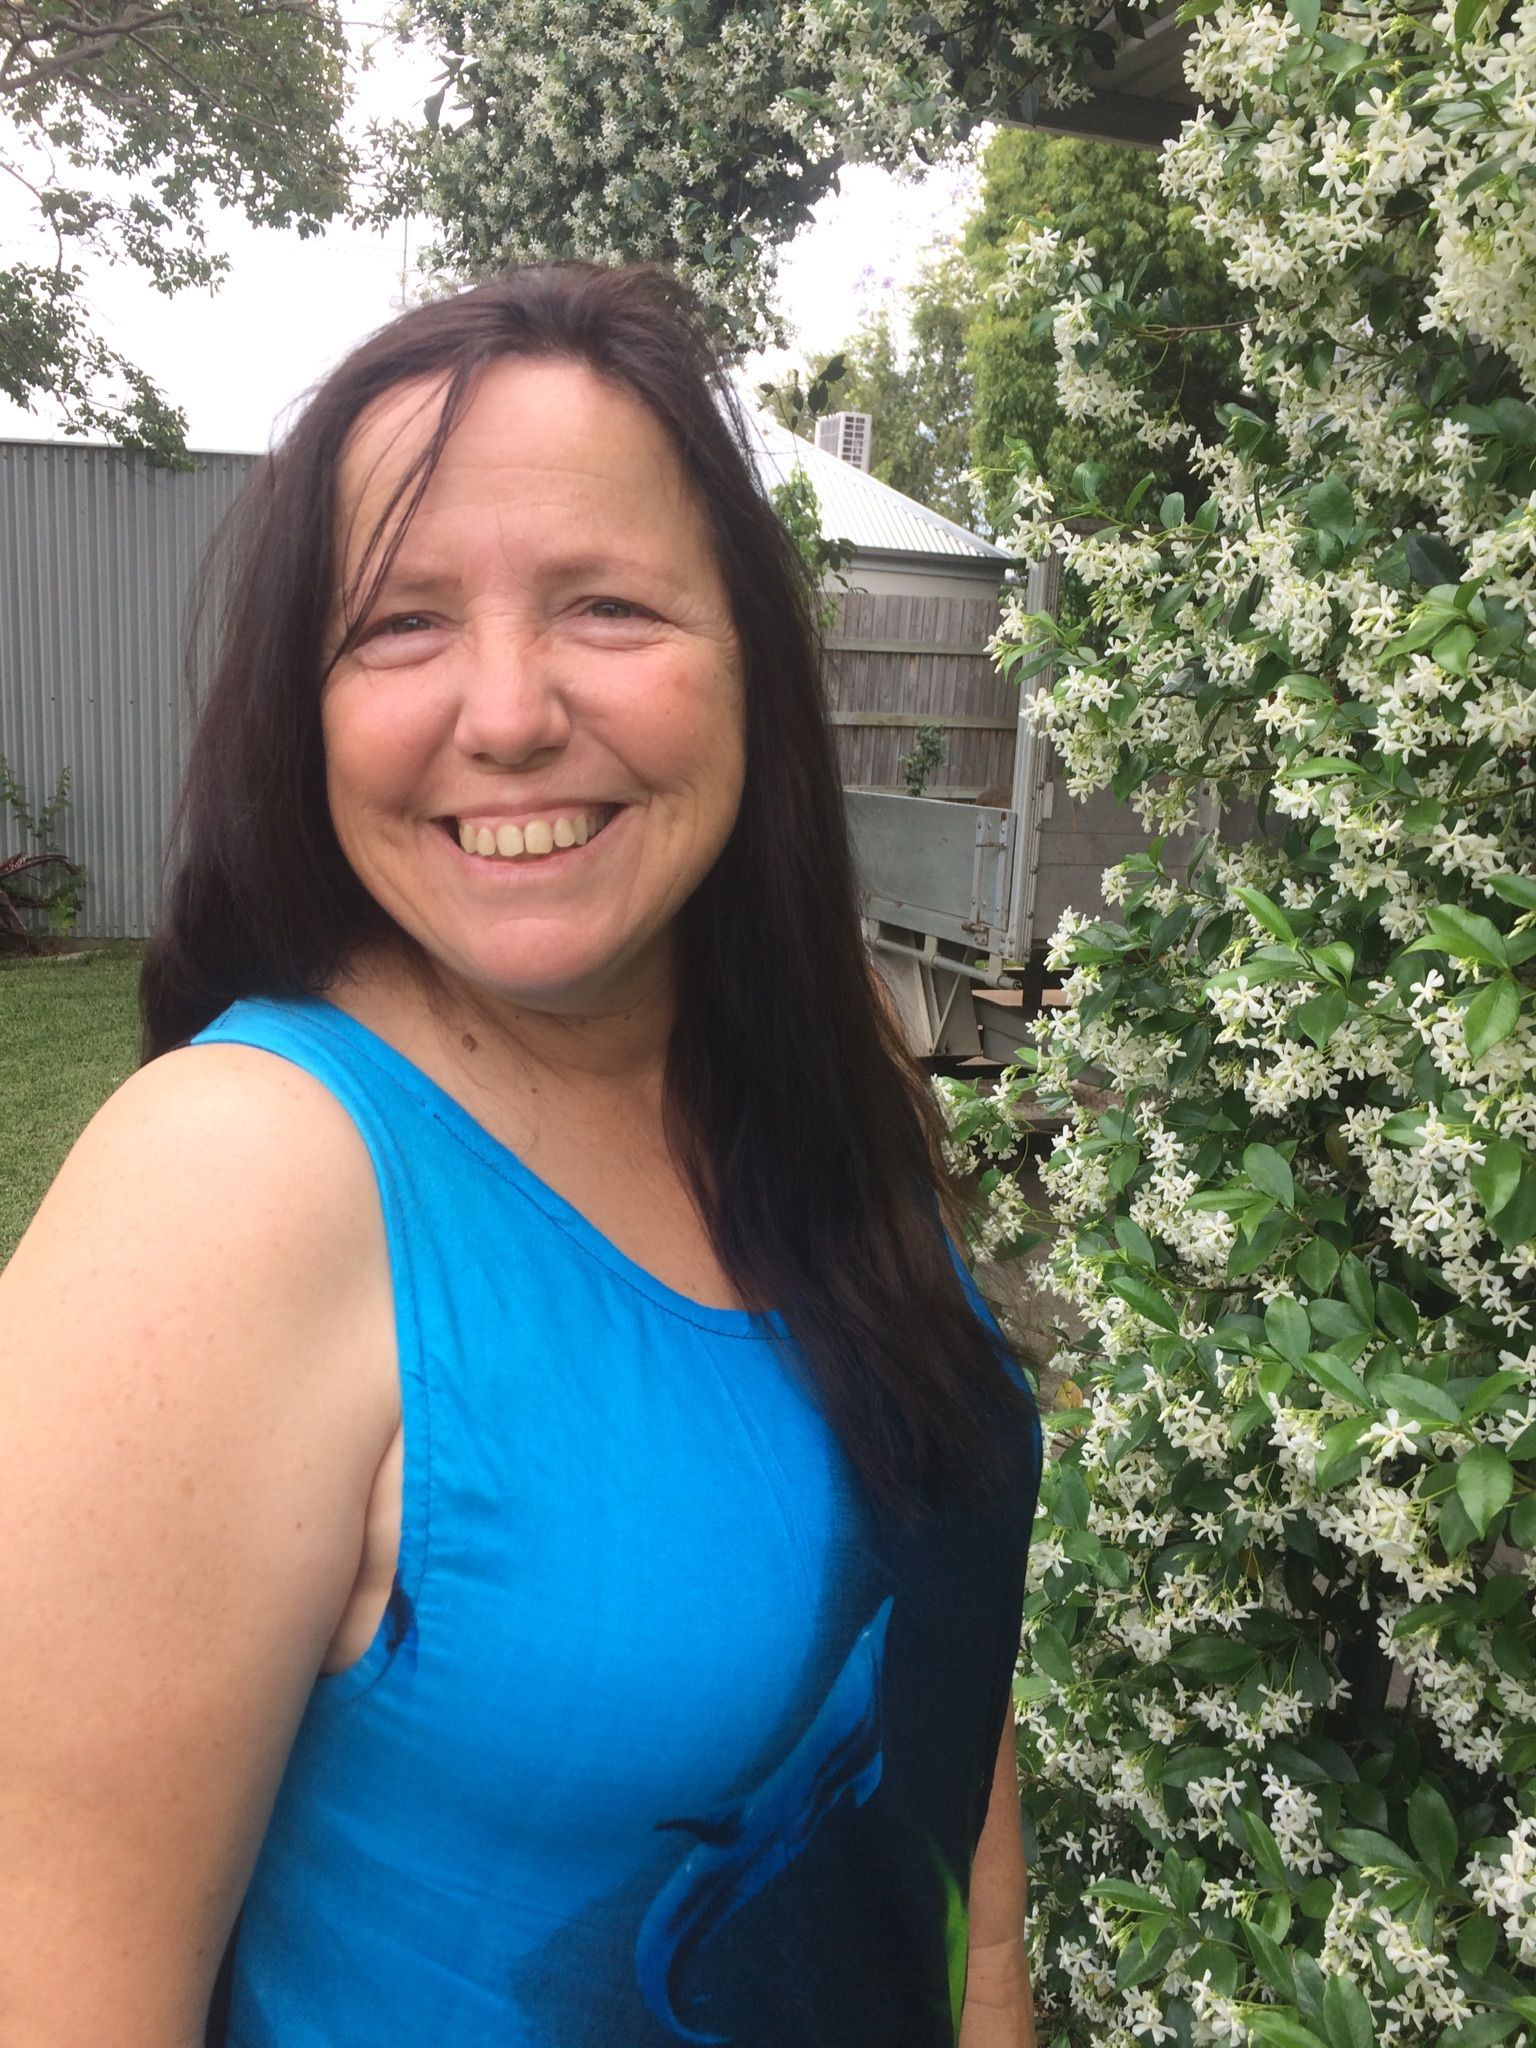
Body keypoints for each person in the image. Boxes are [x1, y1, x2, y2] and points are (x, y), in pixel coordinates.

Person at [0, 263, 1042, 2048]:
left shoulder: (826, 1075)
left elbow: (935, 1683)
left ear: (751, 669)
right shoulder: (235, 1191)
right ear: (301, 709)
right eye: (398, 624)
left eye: (610, 605)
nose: (505, 711)